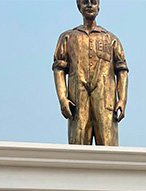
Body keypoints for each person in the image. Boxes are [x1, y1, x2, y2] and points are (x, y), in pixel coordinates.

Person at [52, 0, 128, 145]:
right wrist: (62, 98)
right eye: (85, 2)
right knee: (78, 144)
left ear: (98, 7)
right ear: (78, 6)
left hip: (106, 98)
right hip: (77, 97)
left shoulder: (111, 39)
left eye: (93, 2)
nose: (89, 5)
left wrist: (122, 99)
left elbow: (122, 70)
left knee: (108, 144)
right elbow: (59, 68)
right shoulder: (68, 37)